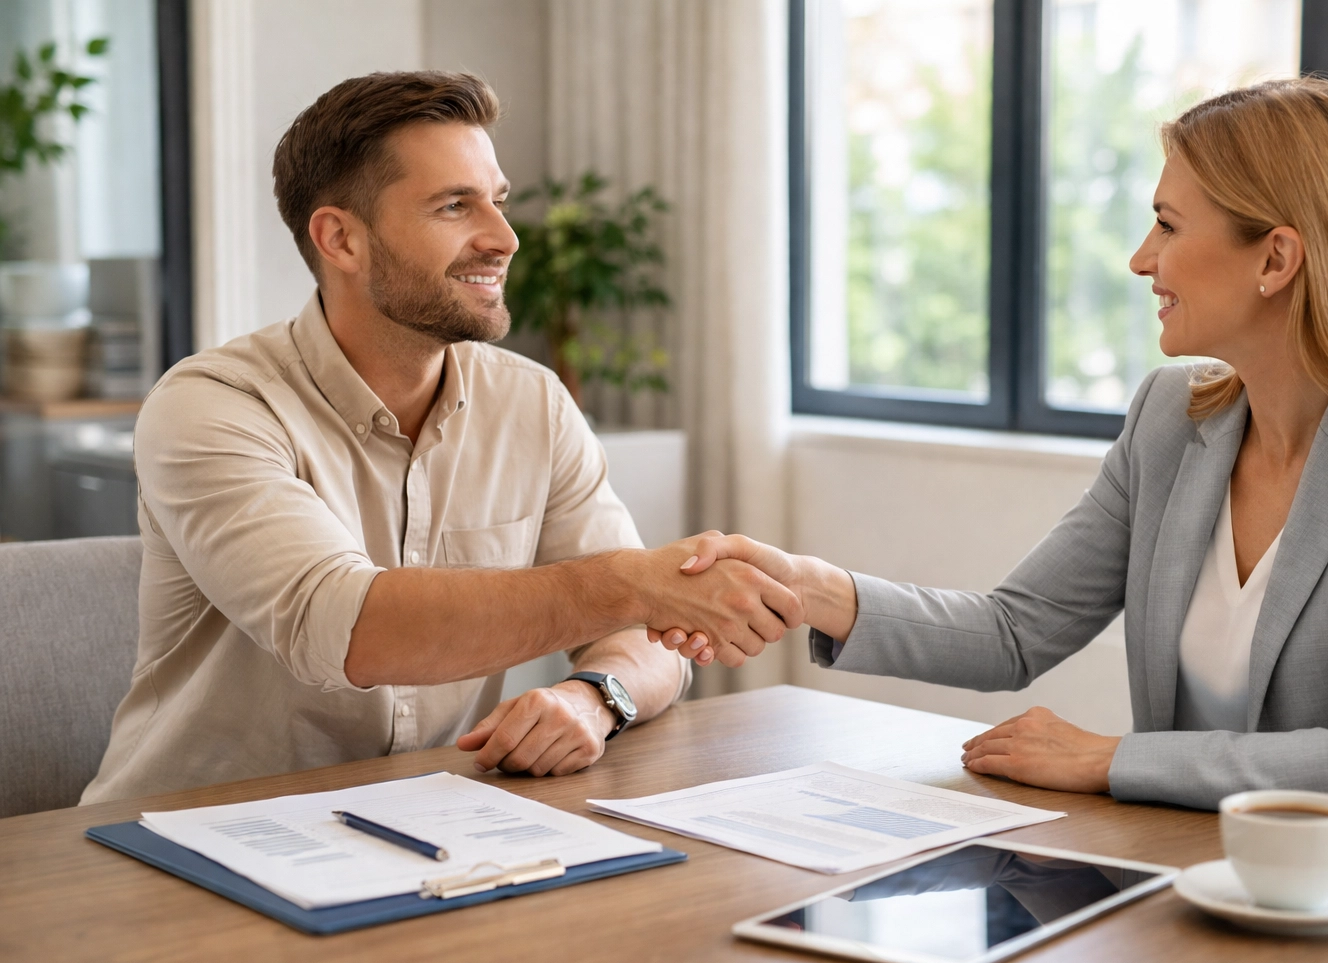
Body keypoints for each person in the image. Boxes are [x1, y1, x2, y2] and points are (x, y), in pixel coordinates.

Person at [655, 78, 1328, 840]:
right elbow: (1014, 632)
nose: (1142, 258)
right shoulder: (1170, 417)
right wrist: (809, 589)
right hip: (1211, 868)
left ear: (1277, 258)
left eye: (1167, 224)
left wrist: (1108, 759)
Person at [81, 72, 800, 804]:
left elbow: (651, 639)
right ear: (341, 239)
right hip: (184, 840)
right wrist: (628, 583)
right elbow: (344, 627)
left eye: (498, 200)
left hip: (413, 821)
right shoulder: (214, 405)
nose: (505, 238)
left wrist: (594, 696)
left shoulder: (532, 404)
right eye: (455, 206)